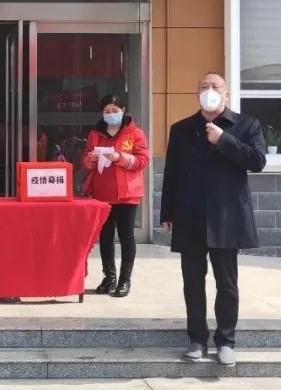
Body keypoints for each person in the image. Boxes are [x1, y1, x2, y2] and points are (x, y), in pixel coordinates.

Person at [159, 72, 266, 367]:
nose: (210, 91)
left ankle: (226, 340)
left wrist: (223, 140)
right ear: (197, 95)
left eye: (215, 86)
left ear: (226, 94)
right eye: (204, 87)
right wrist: (167, 212)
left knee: (227, 283)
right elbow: (172, 173)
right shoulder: (181, 129)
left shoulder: (246, 125)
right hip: (190, 215)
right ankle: (196, 338)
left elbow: (258, 161)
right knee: (192, 282)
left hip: (227, 217)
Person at [82, 94, 150, 298]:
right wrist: (90, 159)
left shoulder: (135, 133)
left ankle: (124, 279)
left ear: (123, 110)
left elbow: (143, 161)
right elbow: (85, 160)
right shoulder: (95, 134)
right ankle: (109, 277)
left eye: (114, 110)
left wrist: (120, 157)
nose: (110, 114)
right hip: (102, 193)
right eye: (106, 111)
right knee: (105, 236)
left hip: (127, 194)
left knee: (126, 236)